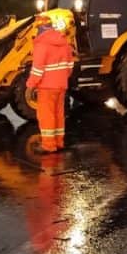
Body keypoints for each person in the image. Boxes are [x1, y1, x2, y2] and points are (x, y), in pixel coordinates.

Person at [26, 15, 74, 154]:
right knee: (59, 114)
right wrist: (61, 77)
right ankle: (59, 142)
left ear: (40, 27)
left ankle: (48, 145)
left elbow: (37, 69)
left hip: (47, 87)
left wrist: (30, 85)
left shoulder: (42, 44)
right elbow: (70, 66)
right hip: (61, 85)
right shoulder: (64, 42)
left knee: (46, 115)